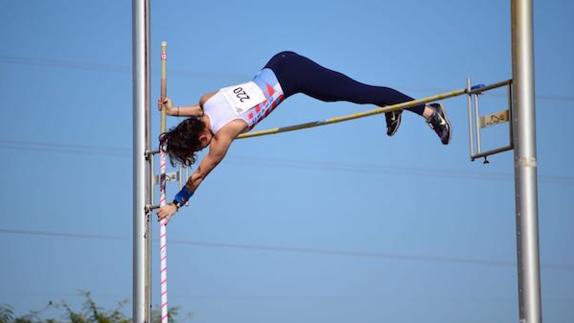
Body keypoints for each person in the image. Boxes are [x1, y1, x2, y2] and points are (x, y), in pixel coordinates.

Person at [156, 51, 451, 224]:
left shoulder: (225, 134)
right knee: (337, 97)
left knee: (358, 91)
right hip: (279, 63)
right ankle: (388, 105)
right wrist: (175, 110)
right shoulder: (207, 101)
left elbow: (197, 177)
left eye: (201, 145)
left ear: (203, 138)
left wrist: (176, 204)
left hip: (291, 75)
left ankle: (428, 111)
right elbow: (198, 110)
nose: (206, 148)